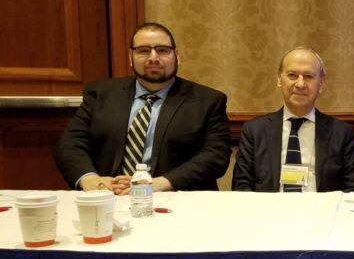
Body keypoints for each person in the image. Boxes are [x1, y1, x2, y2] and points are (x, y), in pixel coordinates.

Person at [54, 22, 231, 193]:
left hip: (175, 198)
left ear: (176, 55)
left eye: (162, 50)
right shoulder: (100, 94)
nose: (153, 57)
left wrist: (158, 184)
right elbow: (70, 144)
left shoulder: (207, 101)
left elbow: (216, 155)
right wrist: (90, 179)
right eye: (143, 51)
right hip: (109, 196)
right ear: (130, 57)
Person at [232, 47, 354, 192]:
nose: (300, 84)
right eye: (292, 75)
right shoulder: (254, 131)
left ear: (321, 83)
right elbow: (241, 186)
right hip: (270, 207)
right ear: (279, 79)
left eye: (308, 76)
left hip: (321, 207)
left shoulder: (342, 133)